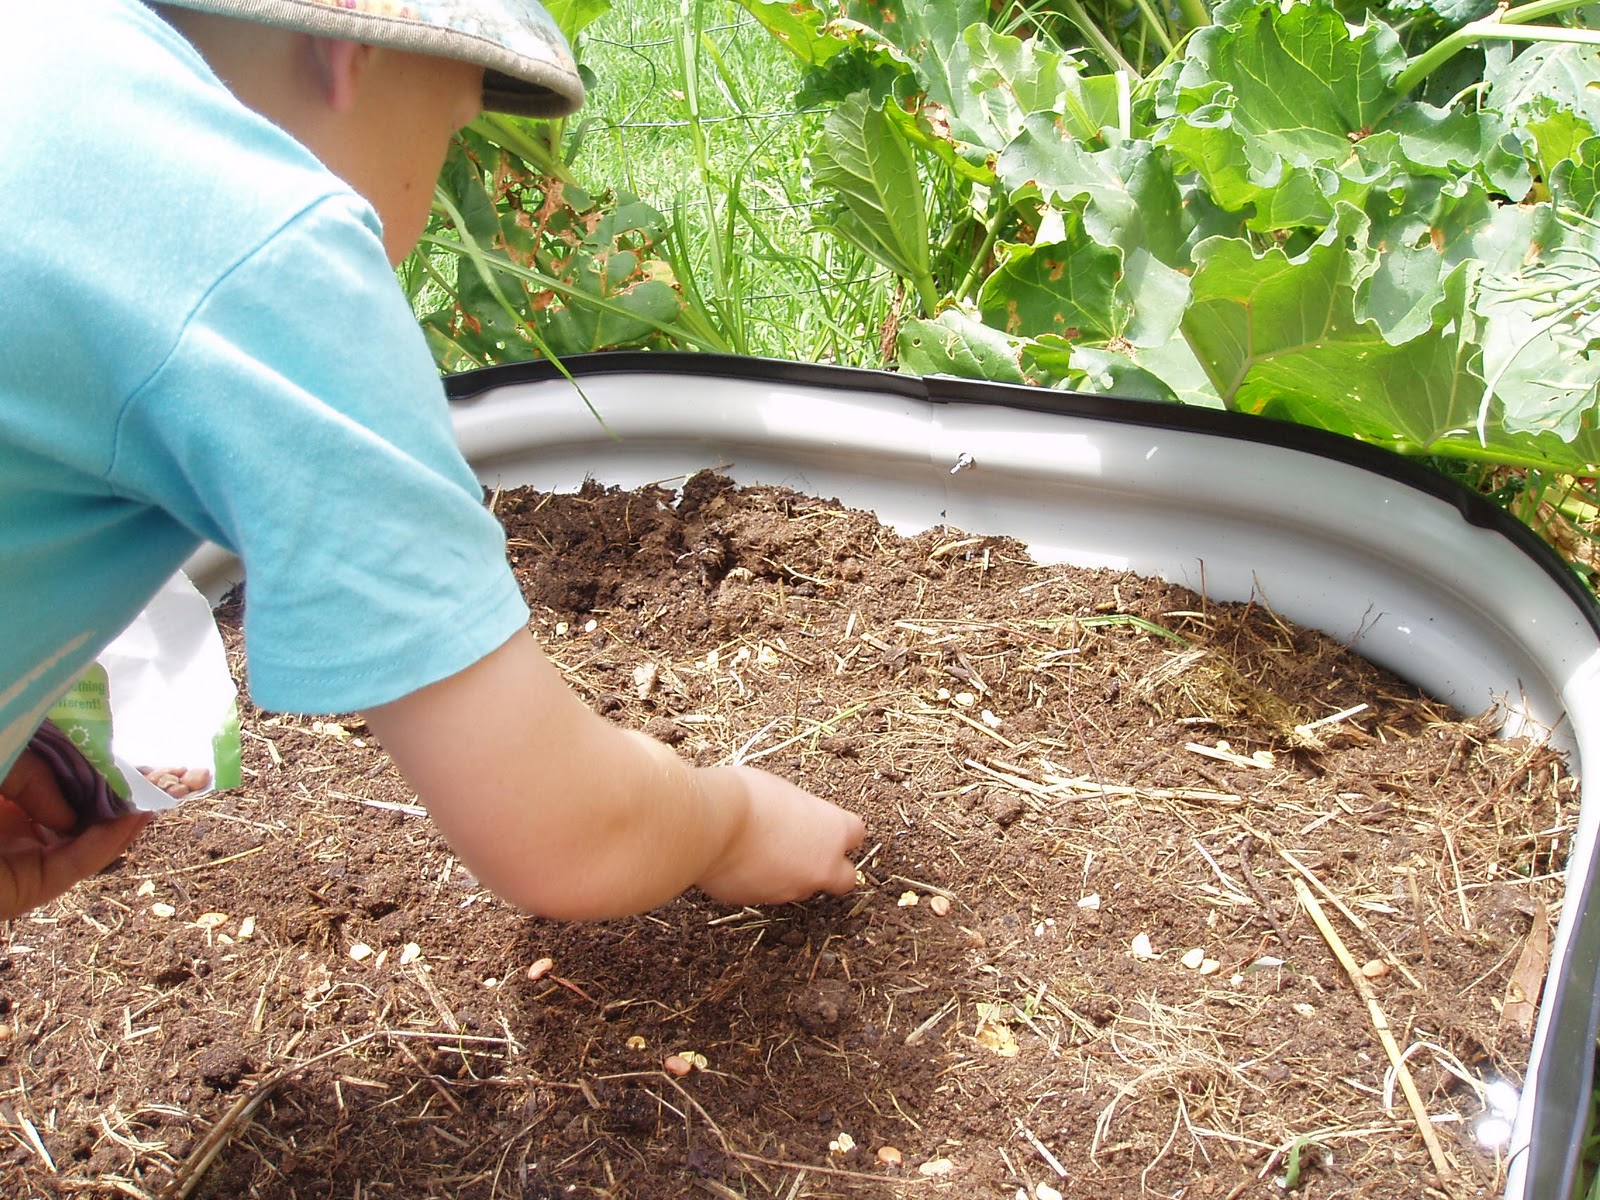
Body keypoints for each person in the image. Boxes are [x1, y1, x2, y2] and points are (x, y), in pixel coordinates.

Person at [0, 0, 865, 920]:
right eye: (452, 130)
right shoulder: (255, 247)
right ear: (350, 47)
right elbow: (567, 832)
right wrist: (727, 821)